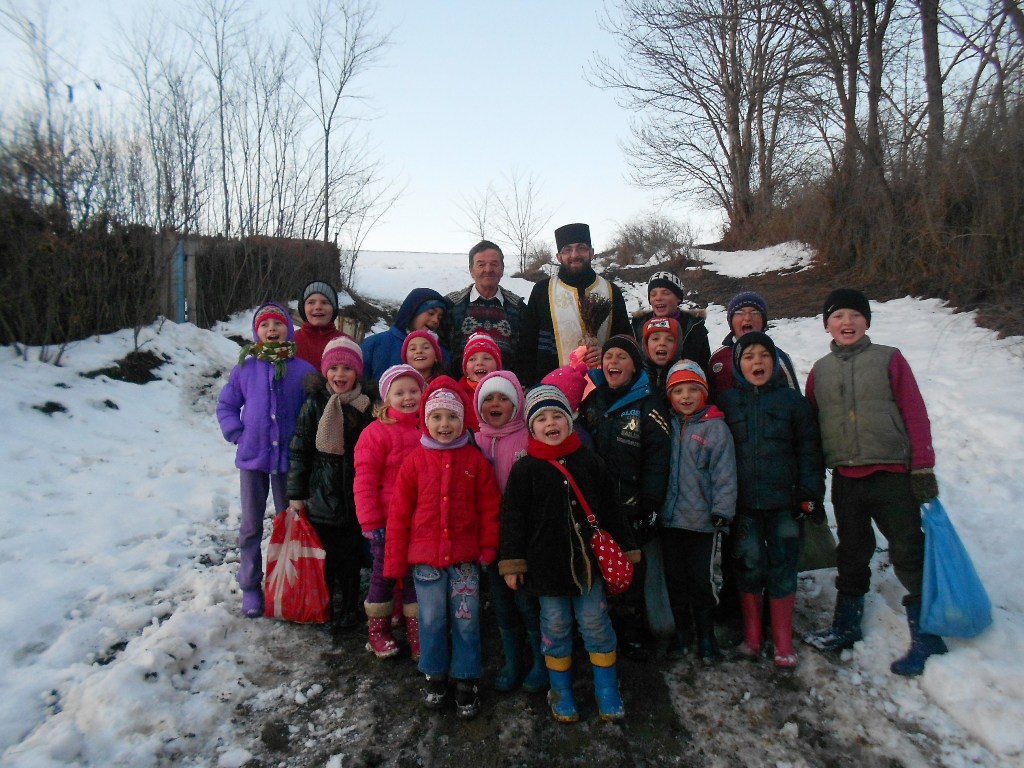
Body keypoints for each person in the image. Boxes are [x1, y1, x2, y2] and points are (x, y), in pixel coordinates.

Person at [803, 289, 946, 677]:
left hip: (892, 476)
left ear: (867, 321)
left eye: (854, 315)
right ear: (826, 325)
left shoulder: (889, 359)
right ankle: (845, 626)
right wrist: (812, 482)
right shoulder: (820, 371)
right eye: (837, 317)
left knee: (907, 549)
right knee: (851, 551)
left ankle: (928, 633)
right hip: (846, 479)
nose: (846, 323)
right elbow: (812, 431)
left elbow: (915, 414)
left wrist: (922, 468)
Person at [500, 385, 639, 723]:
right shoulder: (525, 469)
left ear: (570, 420)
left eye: (558, 416)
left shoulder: (589, 461)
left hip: (587, 566)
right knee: (555, 626)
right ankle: (560, 690)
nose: (551, 423)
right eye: (542, 418)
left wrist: (628, 547)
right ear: (531, 427)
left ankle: (606, 689)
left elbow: (611, 507)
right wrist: (513, 562)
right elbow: (513, 519)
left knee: (595, 622)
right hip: (546, 569)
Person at [384, 377, 501, 719]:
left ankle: (466, 676)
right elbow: (399, 515)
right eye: (436, 417)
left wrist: (488, 546)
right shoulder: (415, 462)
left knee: (466, 619)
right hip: (425, 562)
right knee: (432, 620)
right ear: (426, 420)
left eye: (451, 417)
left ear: (462, 420)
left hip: (465, 558)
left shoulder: (475, 461)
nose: (444, 425)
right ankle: (434, 673)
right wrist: (394, 563)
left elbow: (490, 508)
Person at [718, 333, 824, 668]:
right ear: (738, 364)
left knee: (783, 568)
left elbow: (809, 450)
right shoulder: (726, 402)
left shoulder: (793, 403)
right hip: (743, 504)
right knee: (749, 567)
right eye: (749, 356)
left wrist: (810, 492)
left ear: (775, 362)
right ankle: (752, 636)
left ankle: (782, 641)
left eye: (764, 355)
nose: (757, 362)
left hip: (785, 503)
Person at [216, 303, 317, 618]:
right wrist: (237, 433)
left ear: (289, 328)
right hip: (253, 457)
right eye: (265, 326)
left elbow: (314, 411)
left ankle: (288, 584)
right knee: (250, 524)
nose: (272, 330)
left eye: (278, 324)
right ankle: (250, 585)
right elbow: (226, 405)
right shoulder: (245, 368)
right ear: (256, 333)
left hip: (290, 461)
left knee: (291, 524)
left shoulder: (303, 371)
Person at [578, 335, 671, 660]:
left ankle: (632, 629)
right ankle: (604, 628)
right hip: (597, 508)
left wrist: (651, 504)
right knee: (601, 567)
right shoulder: (592, 400)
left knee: (633, 570)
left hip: (632, 506)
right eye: (609, 356)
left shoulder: (649, 403)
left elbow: (659, 459)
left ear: (635, 365)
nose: (613, 362)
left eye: (621, 357)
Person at [287, 336, 374, 631]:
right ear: (325, 371)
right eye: (334, 368)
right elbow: (300, 450)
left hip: (354, 497)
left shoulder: (366, 407)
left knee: (350, 559)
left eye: (347, 369)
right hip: (322, 496)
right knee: (326, 559)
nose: (340, 375)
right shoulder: (314, 405)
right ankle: (325, 606)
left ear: (357, 373)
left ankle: (350, 608)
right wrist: (297, 493)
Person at [472, 370, 548, 694]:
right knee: (502, 601)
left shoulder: (528, 439)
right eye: (488, 398)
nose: (496, 403)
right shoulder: (474, 441)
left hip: (524, 538)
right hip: (490, 536)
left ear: (517, 403)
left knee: (527, 601)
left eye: (504, 397)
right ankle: (513, 659)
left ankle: (541, 662)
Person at [659, 360, 737, 663]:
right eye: (678, 390)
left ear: (704, 392)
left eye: (693, 389)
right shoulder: (666, 423)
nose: (686, 397)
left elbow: (725, 474)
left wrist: (722, 510)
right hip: (669, 519)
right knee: (675, 581)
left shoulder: (716, 428)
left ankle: (707, 636)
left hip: (701, 521)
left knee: (700, 581)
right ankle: (682, 633)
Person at [353, 364, 426, 659]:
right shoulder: (375, 433)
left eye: (413, 391)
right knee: (384, 572)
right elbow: (365, 480)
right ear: (386, 399)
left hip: (420, 518)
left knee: (414, 574)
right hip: (386, 520)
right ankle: (378, 630)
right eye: (399, 392)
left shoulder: (428, 428)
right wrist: (371, 520)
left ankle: (415, 629)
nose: (408, 397)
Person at [520, 222, 631, 385]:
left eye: (581, 248)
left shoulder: (611, 291)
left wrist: (608, 353)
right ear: (559, 257)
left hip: (604, 389)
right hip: (552, 392)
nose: (574, 255)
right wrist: (527, 385)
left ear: (592, 253)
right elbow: (527, 345)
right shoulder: (542, 291)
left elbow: (626, 340)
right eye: (567, 250)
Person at [445, 240, 528, 380]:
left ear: (502, 269)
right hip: (461, 392)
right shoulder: (452, 305)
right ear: (471, 270)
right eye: (481, 264)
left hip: (505, 394)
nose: (488, 269)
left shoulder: (518, 307)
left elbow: (526, 354)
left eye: (494, 264)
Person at [707, 291, 798, 402]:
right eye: (740, 313)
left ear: (763, 321)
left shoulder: (779, 357)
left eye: (755, 312)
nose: (748, 318)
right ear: (731, 321)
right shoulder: (717, 358)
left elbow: (796, 400)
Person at [360, 288, 451, 382]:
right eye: (431, 313)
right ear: (413, 311)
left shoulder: (441, 354)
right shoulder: (373, 344)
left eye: (439, 318)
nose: (435, 320)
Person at [630, 271, 710, 374]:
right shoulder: (638, 324)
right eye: (653, 294)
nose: (658, 298)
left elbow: (705, 367)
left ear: (678, 298)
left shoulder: (694, 326)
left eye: (666, 293)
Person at [456, 331, 502, 432]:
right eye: (472, 359)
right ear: (466, 369)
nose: (480, 363)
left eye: (487, 358)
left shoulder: (506, 392)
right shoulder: (457, 393)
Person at [293, 279, 345, 368]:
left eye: (325, 302)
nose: (318, 307)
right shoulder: (290, 342)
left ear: (334, 308)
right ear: (302, 308)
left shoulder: (346, 343)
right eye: (311, 302)